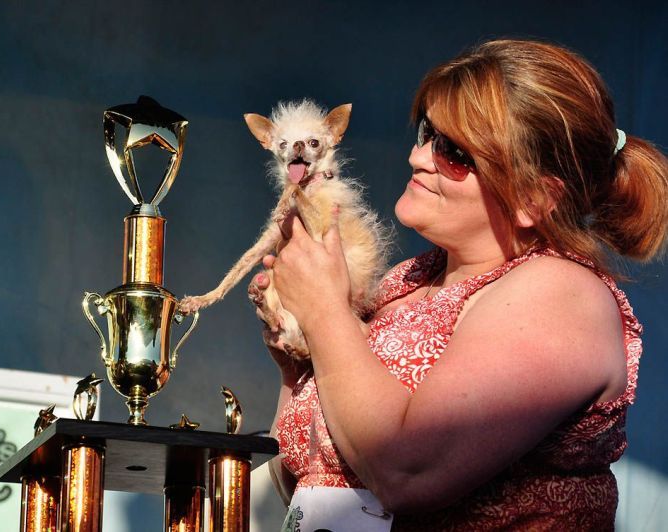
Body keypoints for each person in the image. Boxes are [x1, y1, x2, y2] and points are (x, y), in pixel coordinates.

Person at [249, 39, 668, 531]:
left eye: (453, 152)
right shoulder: (408, 283)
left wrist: (323, 314)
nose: (418, 157)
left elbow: (408, 469)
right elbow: (308, 474)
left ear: (532, 197)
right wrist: (296, 365)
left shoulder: (559, 294)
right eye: (427, 132)